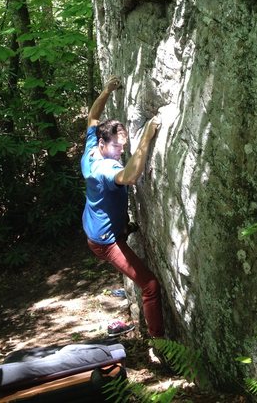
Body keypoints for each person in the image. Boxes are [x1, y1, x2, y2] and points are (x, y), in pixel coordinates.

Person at [81, 75, 164, 338]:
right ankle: (160, 343)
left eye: (123, 146)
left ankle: (123, 227)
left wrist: (106, 91)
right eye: (116, 147)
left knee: (122, 227)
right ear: (104, 144)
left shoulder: (92, 149)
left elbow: (93, 118)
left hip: (96, 229)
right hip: (105, 241)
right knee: (150, 285)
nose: (120, 151)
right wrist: (147, 138)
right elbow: (129, 177)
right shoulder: (105, 168)